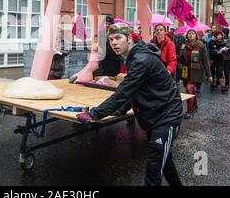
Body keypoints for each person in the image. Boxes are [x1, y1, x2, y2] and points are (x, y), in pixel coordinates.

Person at [76, 23, 183, 186]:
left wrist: (95, 114)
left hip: (166, 117)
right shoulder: (134, 58)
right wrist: (119, 111)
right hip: (154, 116)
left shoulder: (141, 60)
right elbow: (134, 91)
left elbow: (124, 92)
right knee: (164, 160)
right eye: (111, 39)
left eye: (118, 38)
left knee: (154, 169)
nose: (114, 43)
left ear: (129, 39)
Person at [179, 29, 212, 119]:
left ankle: (189, 110)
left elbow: (205, 61)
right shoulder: (183, 45)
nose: (190, 35)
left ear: (196, 35)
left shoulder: (200, 45)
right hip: (186, 71)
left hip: (196, 72)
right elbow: (180, 58)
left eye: (192, 33)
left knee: (189, 89)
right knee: (191, 90)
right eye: (189, 33)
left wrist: (209, 75)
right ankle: (195, 106)